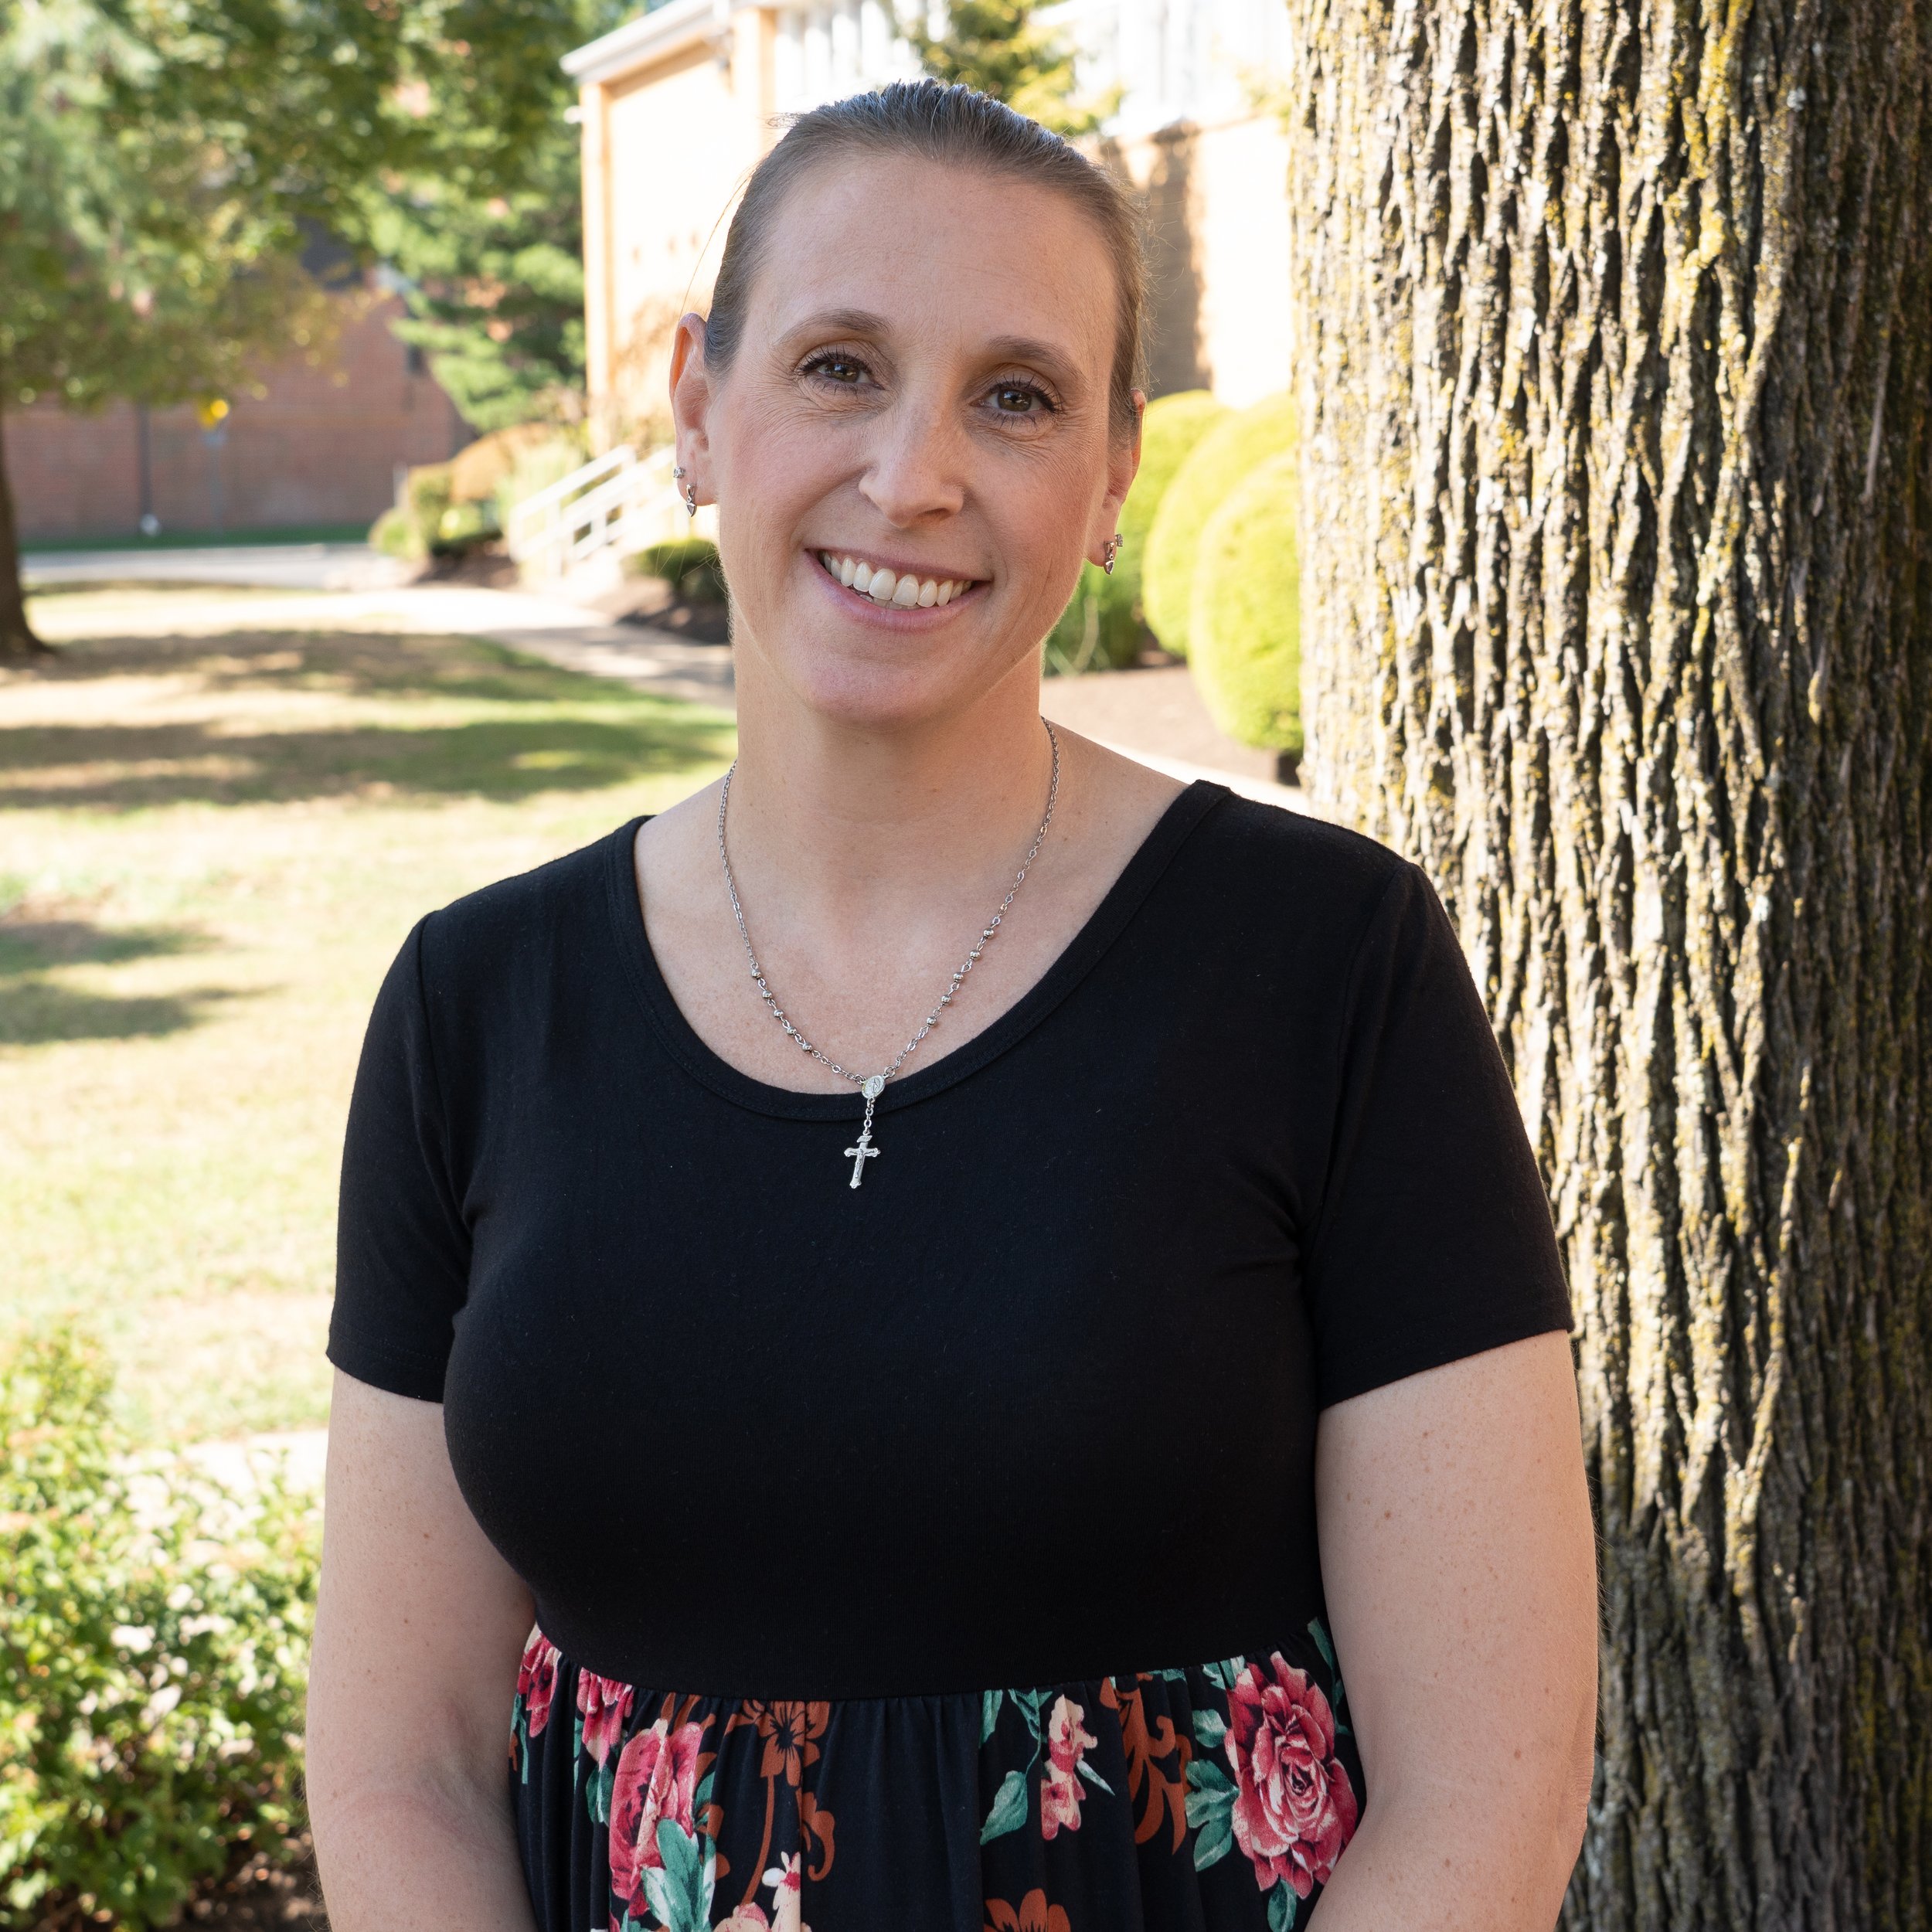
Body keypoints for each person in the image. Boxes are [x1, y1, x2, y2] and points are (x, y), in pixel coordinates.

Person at [305, 79, 1599, 1932]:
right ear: (695, 409)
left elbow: (1488, 1777)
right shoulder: (474, 1002)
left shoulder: (1326, 963)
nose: (915, 473)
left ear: (1107, 482)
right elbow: (395, 1753)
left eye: (1015, 394)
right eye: (838, 364)